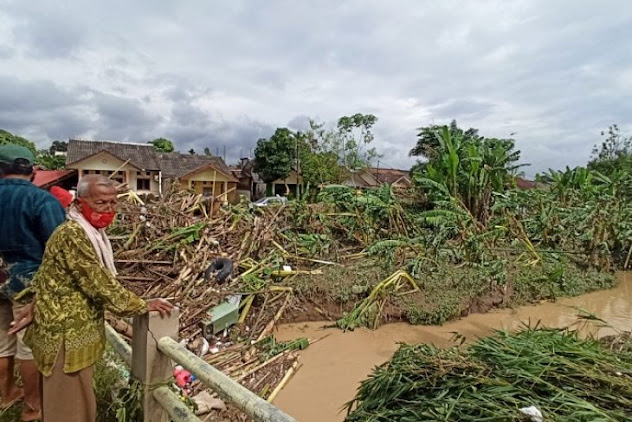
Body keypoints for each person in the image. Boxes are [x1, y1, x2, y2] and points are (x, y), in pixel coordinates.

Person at [11, 174, 174, 422]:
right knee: (69, 409)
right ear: (80, 203)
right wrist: (142, 305)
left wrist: (35, 304)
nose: (109, 209)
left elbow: (49, 273)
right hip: (66, 336)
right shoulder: (73, 235)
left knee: (70, 402)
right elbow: (99, 284)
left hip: (66, 332)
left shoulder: (88, 233)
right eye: (101, 203)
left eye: (113, 203)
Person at [0, 144, 65, 421]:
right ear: (33, 170)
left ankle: (6, 395)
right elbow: (59, 250)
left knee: (2, 342)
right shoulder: (43, 201)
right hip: (28, 282)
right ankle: (33, 406)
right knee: (29, 346)